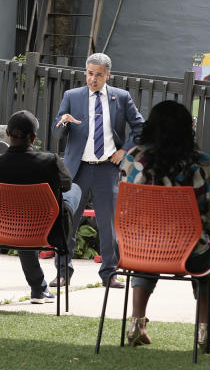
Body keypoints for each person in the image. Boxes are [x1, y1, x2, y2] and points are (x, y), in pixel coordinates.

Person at [119, 100, 210, 352]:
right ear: (187, 129)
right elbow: (209, 215)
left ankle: (136, 324)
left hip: (138, 248)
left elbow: (125, 208)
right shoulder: (200, 162)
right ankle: (204, 331)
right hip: (187, 251)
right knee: (209, 254)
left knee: (149, 247)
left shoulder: (132, 158)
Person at [51, 52, 144, 289]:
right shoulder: (72, 96)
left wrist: (125, 151)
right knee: (68, 222)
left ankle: (109, 273)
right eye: (90, 74)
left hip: (107, 169)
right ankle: (63, 272)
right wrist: (64, 121)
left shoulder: (120, 97)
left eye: (98, 75)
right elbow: (57, 132)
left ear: (107, 75)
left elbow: (140, 128)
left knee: (108, 225)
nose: (93, 79)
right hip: (77, 170)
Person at [0, 110, 83, 303]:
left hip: (5, 227)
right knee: (75, 189)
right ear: (34, 138)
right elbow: (66, 185)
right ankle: (38, 288)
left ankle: (38, 288)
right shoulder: (50, 161)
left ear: (7, 135)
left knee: (23, 218)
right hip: (48, 228)